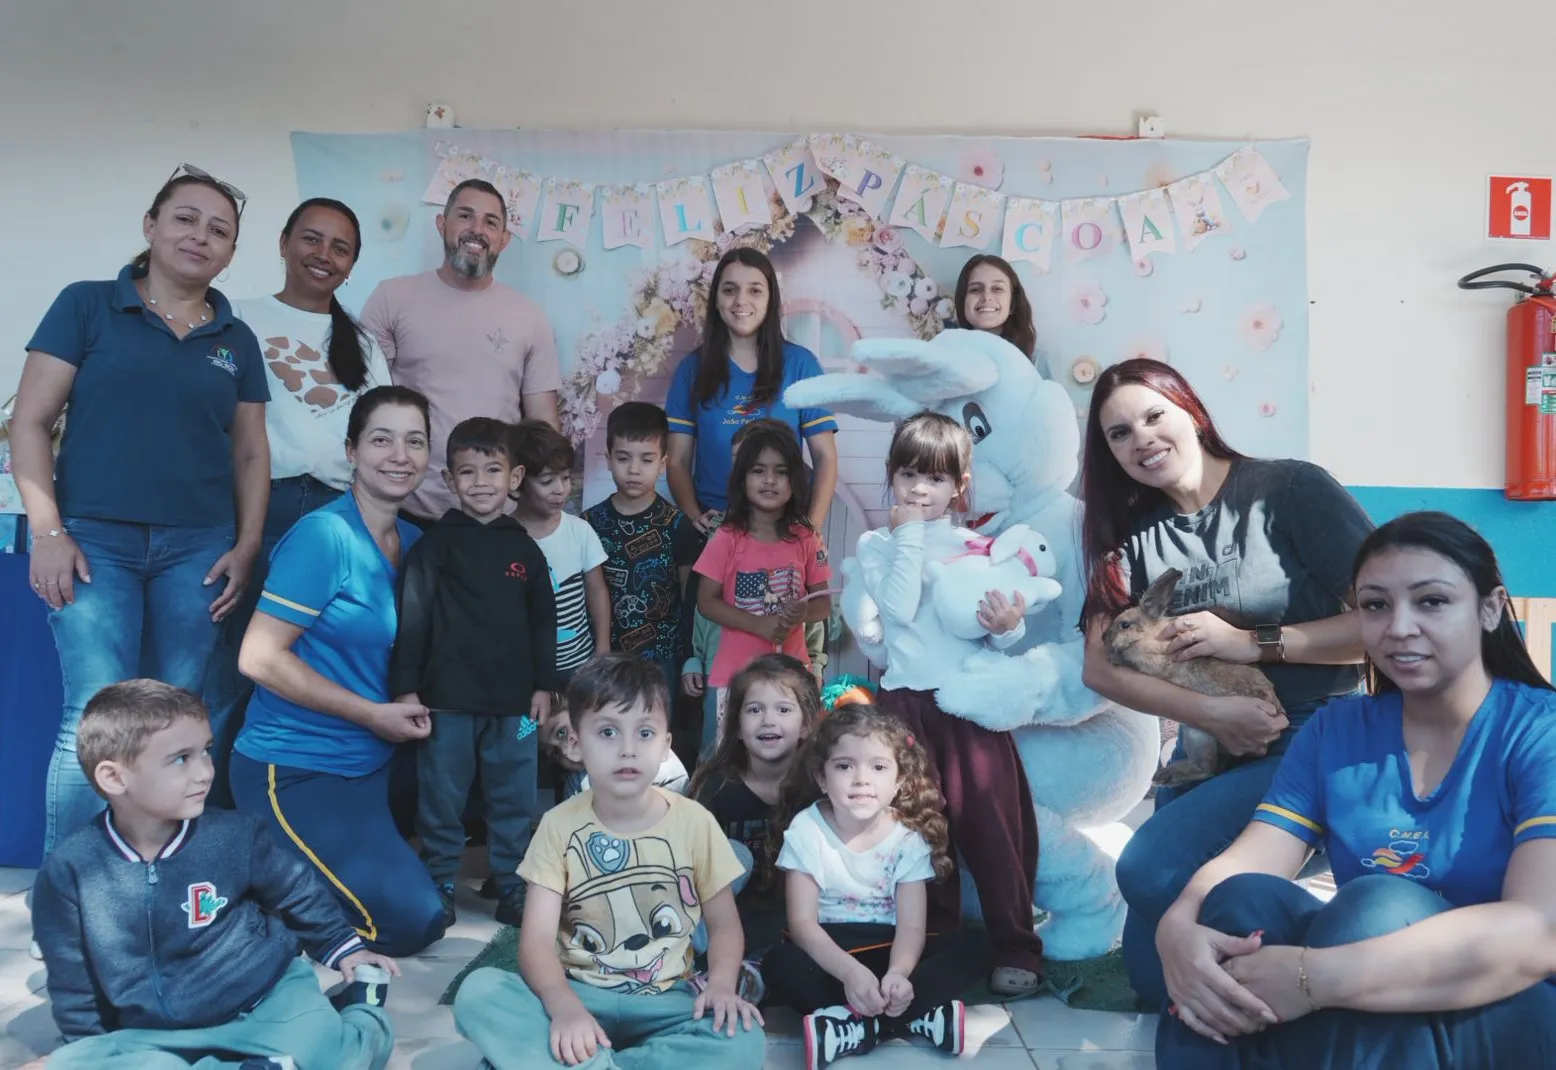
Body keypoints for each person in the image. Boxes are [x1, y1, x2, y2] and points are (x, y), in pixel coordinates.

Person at [1154, 511, 1556, 1068]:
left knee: (1377, 901)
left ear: (1490, 608)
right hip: (1376, 1018)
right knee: (1240, 902)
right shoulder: (1337, 730)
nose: (1399, 627)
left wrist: (1313, 979)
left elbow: (1540, 931)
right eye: (1375, 605)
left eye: (1432, 601)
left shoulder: (1540, 731)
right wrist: (1179, 924)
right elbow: (1253, 857)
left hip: (1508, 1009)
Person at [1077, 357, 1374, 1009]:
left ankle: (1332, 955)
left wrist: (1252, 644)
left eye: (1154, 415)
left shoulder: (1290, 490)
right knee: (1156, 984)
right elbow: (1098, 666)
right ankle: (1266, 932)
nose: (1142, 439)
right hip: (1207, 750)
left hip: (1314, 740)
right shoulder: (1129, 536)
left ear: (1192, 412)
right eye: (1119, 433)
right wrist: (1209, 715)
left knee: (1148, 869)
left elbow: (1385, 619)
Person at [11, 166, 269, 856]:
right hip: (94, 542)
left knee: (174, 723)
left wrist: (245, 547)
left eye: (220, 230)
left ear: (231, 254)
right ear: (151, 227)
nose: (200, 236)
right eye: (185, 218)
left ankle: (155, 886)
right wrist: (47, 530)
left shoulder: (234, 340)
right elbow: (29, 422)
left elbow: (249, 454)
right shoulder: (87, 306)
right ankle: (70, 904)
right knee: (96, 718)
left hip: (198, 550)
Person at [32, 680, 397, 1070]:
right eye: (181, 759)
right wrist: (89, 1051)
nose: (206, 771)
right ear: (114, 778)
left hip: (268, 1003)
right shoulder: (71, 868)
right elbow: (73, 975)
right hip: (155, 1030)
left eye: (206, 751)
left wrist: (343, 946)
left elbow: (296, 891)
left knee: (325, 1053)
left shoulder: (235, 835)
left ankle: (360, 1014)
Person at [452, 654, 766, 1070]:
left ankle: (582, 1064)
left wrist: (723, 986)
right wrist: (564, 1009)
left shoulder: (696, 823)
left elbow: (724, 926)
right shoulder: (557, 825)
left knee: (743, 1039)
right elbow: (536, 942)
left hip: (666, 1002)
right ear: (575, 744)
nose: (628, 749)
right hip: (578, 993)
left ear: (666, 745)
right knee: (479, 992)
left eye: (645, 733)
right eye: (607, 732)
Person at [230, 386, 447, 957]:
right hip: (295, 767)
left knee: (428, 914)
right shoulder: (324, 537)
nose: (399, 454)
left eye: (414, 441)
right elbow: (257, 657)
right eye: (382, 439)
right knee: (409, 923)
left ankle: (281, 881)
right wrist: (372, 714)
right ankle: (249, 894)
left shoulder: (417, 542)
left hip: (372, 771)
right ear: (351, 451)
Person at [202, 196, 392, 806]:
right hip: (262, 508)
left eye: (340, 248)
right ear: (284, 242)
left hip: (339, 518)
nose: (324, 256)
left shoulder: (361, 343)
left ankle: (300, 804)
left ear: (352, 263)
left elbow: (378, 433)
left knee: (317, 666)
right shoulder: (237, 319)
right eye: (312, 239)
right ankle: (213, 819)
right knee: (236, 666)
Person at [851, 411, 1044, 997]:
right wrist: (908, 533)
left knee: (993, 827)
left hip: (967, 706)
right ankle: (933, 947)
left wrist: (1009, 629)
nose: (918, 489)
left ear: (958, 486)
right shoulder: (876, 545)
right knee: (916, 832)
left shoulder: (979, 546)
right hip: (903, 707)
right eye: (908, 474)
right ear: (892, 475)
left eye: (934, 478)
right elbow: (899, 609)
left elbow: (993, 632)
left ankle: (1018, 946)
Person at [388, 417, 558, 931]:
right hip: (445, 702)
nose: (481, 481)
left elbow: (544, 623)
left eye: (493, 469)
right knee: (442, 792)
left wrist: (545, 687)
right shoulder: (435, 546)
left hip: (519, 709)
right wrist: (406, 689)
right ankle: (439, 878)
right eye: (467, 471)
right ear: (449, 480)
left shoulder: (524, 549)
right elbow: (411, 620)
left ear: (514, 478)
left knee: (517, 792)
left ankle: (510, 883)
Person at [762, 702, 982, 1070]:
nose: (861, 779)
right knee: (779, 965)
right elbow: (802, 925)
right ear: (821, 777)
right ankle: (916, 1017)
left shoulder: (907, 837)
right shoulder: (807, 829)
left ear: (898, 782)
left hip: (890, 947)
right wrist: (850, 972)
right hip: (830, 952)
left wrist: (898, 974)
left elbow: (912, 926)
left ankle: (856, 1026)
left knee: (976, 945)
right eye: (845, 766)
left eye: (878, 767)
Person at [359, 178, 562, 525]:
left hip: (497, 514)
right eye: (465, 216)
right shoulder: (392, 298)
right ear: (442, 224)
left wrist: (540, 515)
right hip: (404, 509)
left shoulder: (529, 317)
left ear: (504, 239)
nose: (477, 230)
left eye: (491, 222)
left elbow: (543, 426)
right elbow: (363, 403)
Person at [664, 247, 838, 535]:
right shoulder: (692, 370)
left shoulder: (801, 365)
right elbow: (678, 460)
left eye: (755, 290)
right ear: (716, 301)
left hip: (782, 529)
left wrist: (812, 530)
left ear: (771, 299)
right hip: (715, 531)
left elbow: (825, 457)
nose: (741, 300)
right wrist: (695, 517)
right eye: (729, 290)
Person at [694, 422, 832, 744]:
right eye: (758, 470)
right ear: (742, 479)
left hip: (792, 679)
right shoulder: (726, 537)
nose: (769, 480)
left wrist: (799, 614)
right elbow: (707, 601)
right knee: (725, 766)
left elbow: (823, 604)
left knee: (790, 764)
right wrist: (760, 625)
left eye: (781, 472)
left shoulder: (807, 538)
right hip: (732, 679)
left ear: (794, 481)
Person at [690, 653, 820, 958]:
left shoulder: (820, 788)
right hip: (724, 924)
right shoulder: (713, 789)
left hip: (801, 921)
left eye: (784, 709)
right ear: (735, 725)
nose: (768, 720)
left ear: (805, 725)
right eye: (754, 709)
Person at [582, 402, 700, 690]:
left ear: (662, 464)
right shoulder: (589, 523)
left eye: (646, 460)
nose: (634, 470)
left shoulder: (677, 525)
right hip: (606, 655)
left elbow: (689, 597)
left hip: (663, 659)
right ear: (608, 459)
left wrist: (691, 657)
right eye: (623, 458)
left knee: (656, 730)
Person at [509, 420, 611, 682]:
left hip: (577, 666)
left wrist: (602, 646)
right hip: (524, 671)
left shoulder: (579, 531)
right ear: (517, 482)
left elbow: (596, 590)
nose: (560, 489)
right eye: (547, 481)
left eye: (565, 477)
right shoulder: (504, 537)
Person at [952, 253, 1039, 370]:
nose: (986, 297)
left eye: (997, 289)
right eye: (975, 289)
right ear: (962, 301)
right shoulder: (944, 356)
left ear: (1012, 304)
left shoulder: (1035, 360)